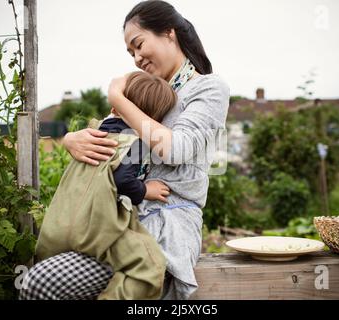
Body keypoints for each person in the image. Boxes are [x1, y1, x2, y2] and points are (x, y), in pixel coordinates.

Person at [19, 0, 230, 300]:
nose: (136, 57)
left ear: (169, 33)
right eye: (130, 52)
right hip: (117, 217)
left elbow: (176, 149)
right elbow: (116, 134)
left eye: (139, 44)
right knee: (41, 275)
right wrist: (71, 140)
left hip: (166, 225)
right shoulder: (147, 92)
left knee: (41, 282)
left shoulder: (208, 88)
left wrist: (117, 95)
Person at [34, 71, 177, 300]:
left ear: (114, 110)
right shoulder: (137, 141)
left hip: (59, 227)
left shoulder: (95, 132)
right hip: (96, 228)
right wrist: (147, 190)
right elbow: (123, 181)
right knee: (151, 266)